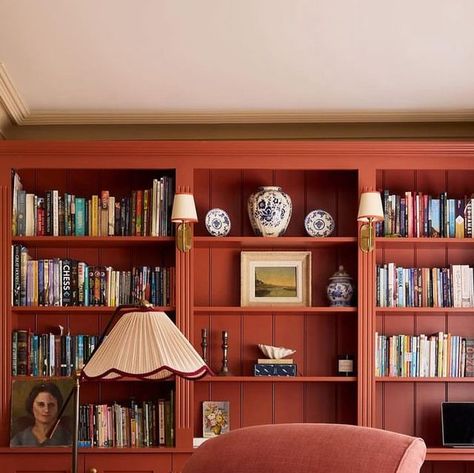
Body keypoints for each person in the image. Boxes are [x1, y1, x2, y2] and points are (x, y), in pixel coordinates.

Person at [10, 382, 72, 447]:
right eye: (41, 404)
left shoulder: (68, 439)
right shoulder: (19, 439)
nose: (46, 410)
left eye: (51, 405)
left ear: (58, 407)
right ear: (31, 406)